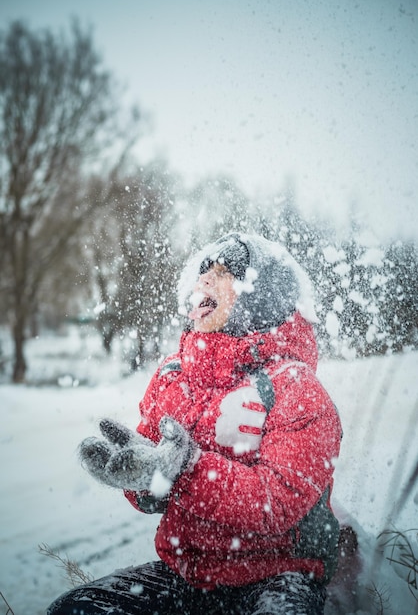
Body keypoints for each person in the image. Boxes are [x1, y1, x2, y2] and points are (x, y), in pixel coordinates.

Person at [48, 232, 342, 615]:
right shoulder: (173, 376)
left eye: (222, 274)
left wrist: (186, 468)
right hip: (189, 577)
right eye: (204, 271)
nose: (205, 280)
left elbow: (276, 502)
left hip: (277, 576)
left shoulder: (296, 386)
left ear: (259, 298)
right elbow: (152, 494)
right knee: (75, 610)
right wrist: (142, 476)